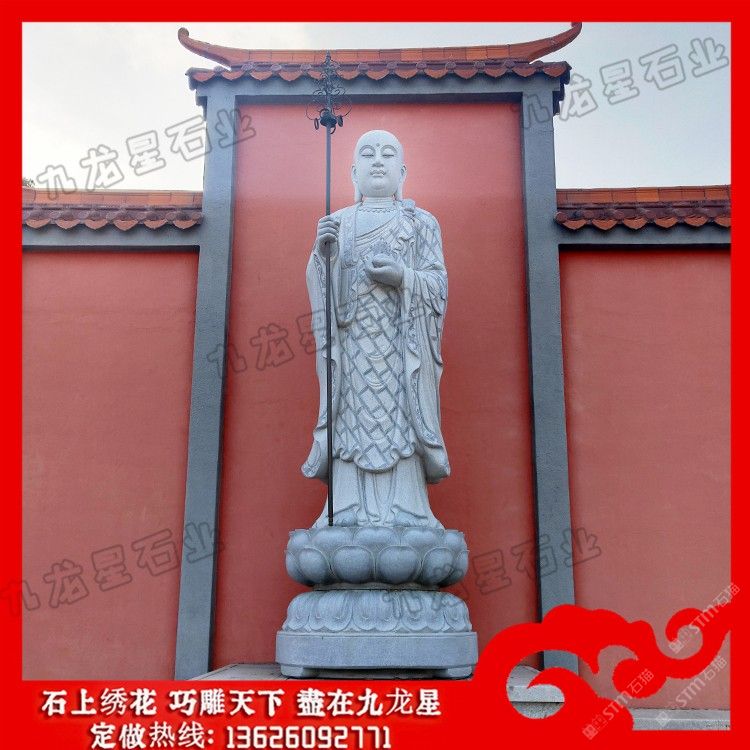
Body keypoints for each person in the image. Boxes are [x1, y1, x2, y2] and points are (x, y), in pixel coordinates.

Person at [302, 129, 449, 528]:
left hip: (403, 350)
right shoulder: (337, 223)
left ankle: (409, 509)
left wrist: (403, 277)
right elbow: (324, 296)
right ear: (354, 172)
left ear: (403, 172)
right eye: (368, 154)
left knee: (401, 423)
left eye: (387, 154)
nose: (378, 161)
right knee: (350, 423)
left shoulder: (421, 224)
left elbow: (438, 286)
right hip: (352, 352)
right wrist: (325, 257)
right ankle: (345, 508)